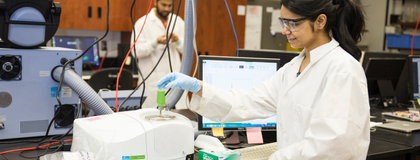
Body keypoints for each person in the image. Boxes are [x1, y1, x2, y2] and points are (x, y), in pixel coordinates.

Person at [157, 0, 369, 159]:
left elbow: (332, 145)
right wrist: (199, 87)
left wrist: (276, 157)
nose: (285, 30)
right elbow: (249, 102)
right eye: (283, 21)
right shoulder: (293, 67)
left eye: (293, 23)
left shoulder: (342, 69)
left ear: (320, 21)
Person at [131, 0, 187, 109]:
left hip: (175, 82)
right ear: (155, 3)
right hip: (152, 81)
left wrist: (178, 40)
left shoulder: (178, 21)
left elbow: (188, 50)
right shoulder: (142, 23)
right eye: (164, 5)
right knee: (151, 118)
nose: (166, 9)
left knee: (180, 119)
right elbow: (135, 51)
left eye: (170, 6)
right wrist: (155, 42)